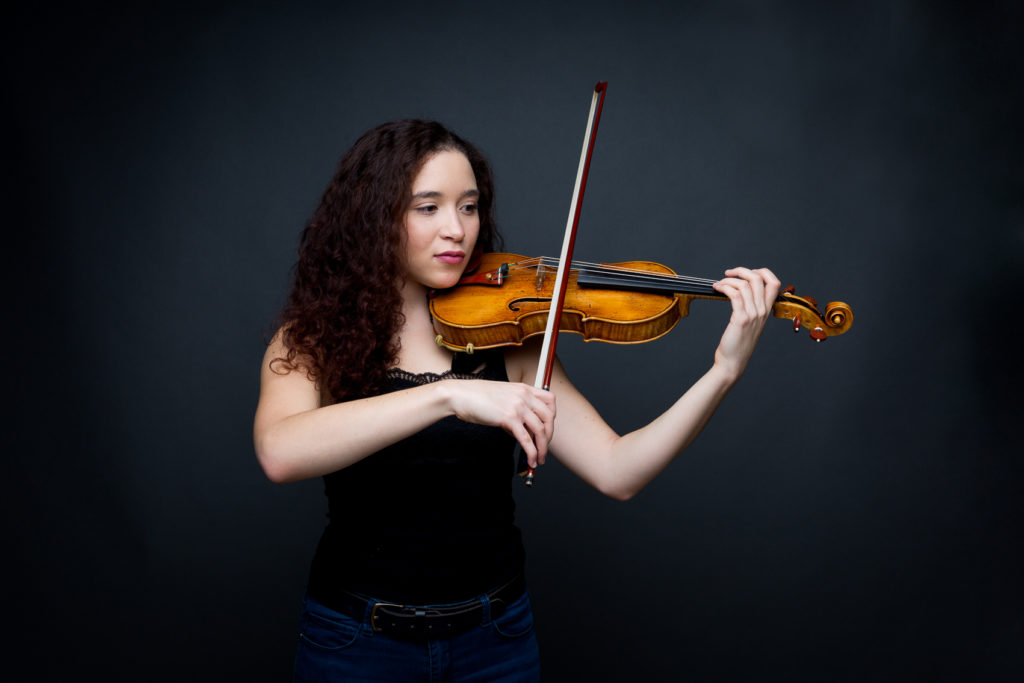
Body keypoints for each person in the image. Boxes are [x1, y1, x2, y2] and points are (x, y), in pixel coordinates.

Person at [254, 119, 780, 682]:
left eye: (469, 206)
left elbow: (618, 470)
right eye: (427, 207)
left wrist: (722, 373)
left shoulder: (509, 332)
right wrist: (450, 395)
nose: (457, 229)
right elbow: (281, 452)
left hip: (493, 645)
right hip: (355, 644)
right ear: (374, 216)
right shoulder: (313, 338)